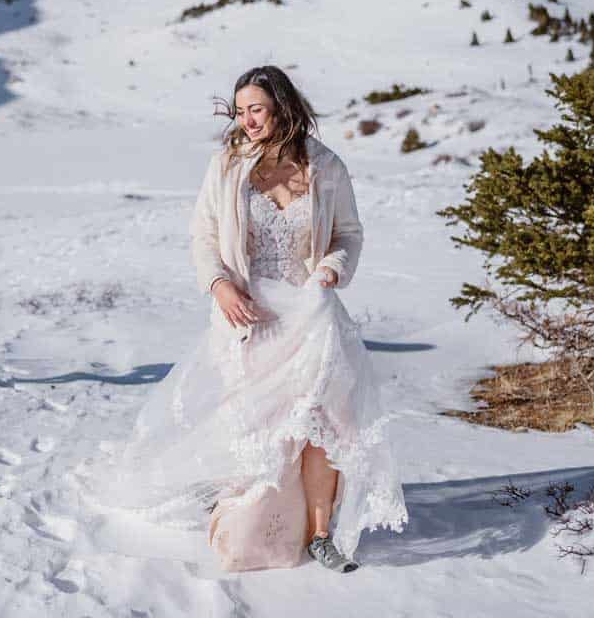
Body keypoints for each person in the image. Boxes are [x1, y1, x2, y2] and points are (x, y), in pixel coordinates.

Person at [103, 66, 406, 573]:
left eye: (256, 109)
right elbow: (204, 236)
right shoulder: (227, 165)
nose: (247, 120)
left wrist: (330, 270)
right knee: (259, 432)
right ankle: (245, 503)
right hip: (248, 317)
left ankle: (322, 534)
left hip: (310, 314)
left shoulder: (326, 166)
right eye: (240, 111)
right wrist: (219, 285)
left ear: (282, 108)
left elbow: (348, 234)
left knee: (322, 421)